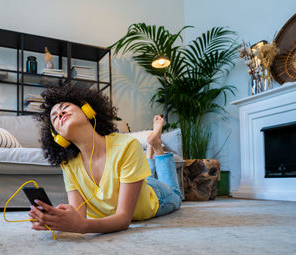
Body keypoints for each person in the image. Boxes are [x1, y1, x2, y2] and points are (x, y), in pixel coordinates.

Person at [30, 86, 182, 234]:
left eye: (65, 107)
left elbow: (123, 219)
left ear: (87, 110)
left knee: (176, 194)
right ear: (57, 137)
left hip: (156, 197)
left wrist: (82, 226)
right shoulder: (68, 164)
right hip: (136, 183)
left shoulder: (126, 146)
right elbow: (78, 216)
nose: (60, 114)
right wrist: (59, 219)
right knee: (146, 178)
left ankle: (157, 148)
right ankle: (150, 150)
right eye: (54, 116)